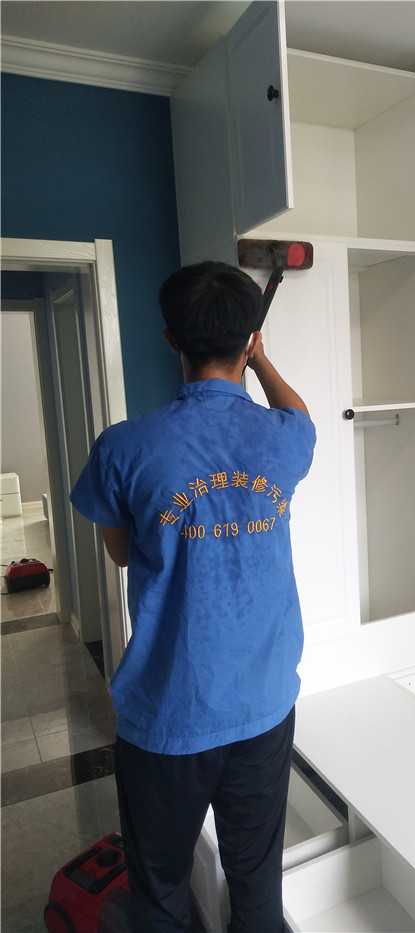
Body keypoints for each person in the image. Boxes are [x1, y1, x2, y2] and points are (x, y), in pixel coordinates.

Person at [70, 261, 316, 933]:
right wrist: (259, 361)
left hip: (168, 715)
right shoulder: (285, 439)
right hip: (262, 705)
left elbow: (123, 553)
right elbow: (298, 411)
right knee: (257, 889)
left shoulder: (123, 448)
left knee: (160, 893)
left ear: (170, 339)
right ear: (251, 339)